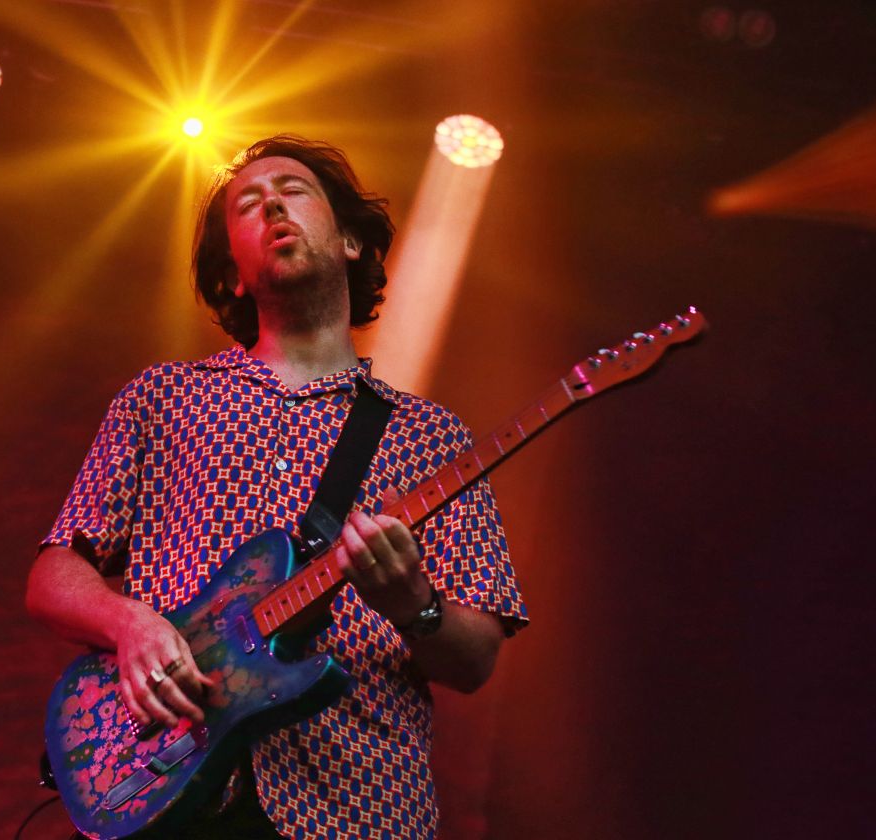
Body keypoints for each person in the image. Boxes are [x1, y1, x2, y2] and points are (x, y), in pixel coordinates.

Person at [26, 135, 527, 839]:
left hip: (359, 803)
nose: (271, 207)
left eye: (293, 191)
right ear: (233, 274)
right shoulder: (162, 398)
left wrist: (413, 603)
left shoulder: (430, 436)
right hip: (167, 784)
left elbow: (475, 659)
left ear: (351, 241)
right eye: (248, 206)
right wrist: (130, 624)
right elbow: (54, 571)